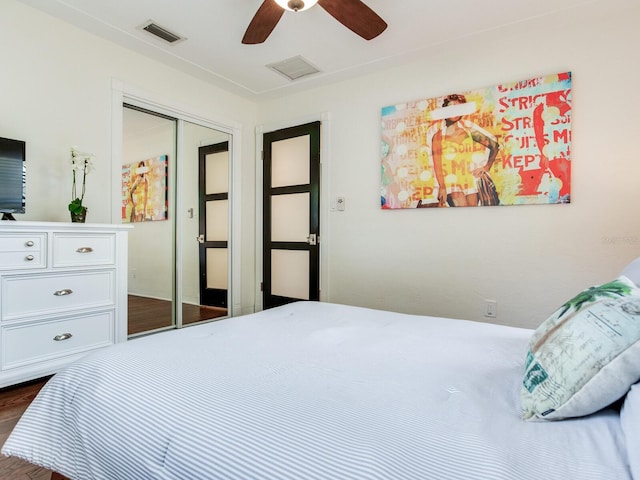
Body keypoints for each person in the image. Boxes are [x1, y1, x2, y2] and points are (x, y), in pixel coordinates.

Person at [428, 93, 500, 207]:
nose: (454, 112)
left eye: (458, 109)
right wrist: (442, 187)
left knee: (472, 215)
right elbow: (437, 164)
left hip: (470, 180)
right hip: (451, 183)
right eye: (451, 108)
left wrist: (486, 167)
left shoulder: (469, 131)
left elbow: (494, 146)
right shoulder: (438, 136)